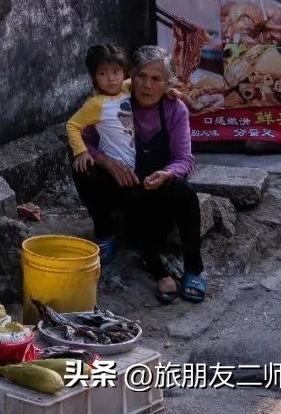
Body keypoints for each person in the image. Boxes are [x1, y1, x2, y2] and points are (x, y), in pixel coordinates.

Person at [70, 44, 206, 304]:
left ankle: (193, 269)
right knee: (83, 166)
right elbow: (84, 139)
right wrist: (105, 161)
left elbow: (184, 159)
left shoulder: (175, 109)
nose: (147, 85)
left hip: (157, 186)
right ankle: (106, 233)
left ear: (167, 83)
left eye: (157, 79)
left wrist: (167, 174)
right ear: (131, 75)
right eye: (142, 76)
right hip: (123, 184)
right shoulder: (115, 99)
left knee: (186, 194)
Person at [65, 43, 134, 265]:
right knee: (84, 172)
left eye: (115, 72)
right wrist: (82, 152)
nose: (111, 79)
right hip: (112, 172)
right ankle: (104, 235)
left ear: (124, 72)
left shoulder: (129, 88)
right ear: (94, 78)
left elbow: (152, 78)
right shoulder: (95, 104)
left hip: (138, 169)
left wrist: (171, 90)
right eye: (103, 74)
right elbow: (73, 125)